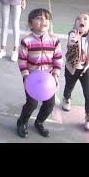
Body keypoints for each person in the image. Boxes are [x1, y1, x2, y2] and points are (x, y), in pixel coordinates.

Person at [16, 8, 62, 138]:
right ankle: (22, 122)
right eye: (39, 18)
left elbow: (58, 59)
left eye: (46, 18)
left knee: (50, 104)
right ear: (31, 24)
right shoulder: (27, 41)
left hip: (49, 80)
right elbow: (22, 60)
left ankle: (39, 122)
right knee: (32, 103)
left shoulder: (54, 40)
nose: (44, 21)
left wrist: (55, 75)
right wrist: (26, 77)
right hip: (31, 79)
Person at [62, 12, 89, 131]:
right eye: (79, 19)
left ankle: (88, 115)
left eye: (85, 19)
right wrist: (75, 40)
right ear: (75, 24)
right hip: (72, 67)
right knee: (69, 86)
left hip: (85, 69)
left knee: (88, 93)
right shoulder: (73, 33)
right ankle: (66, 98)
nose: (82, 20)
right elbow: (71, 41)